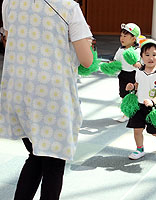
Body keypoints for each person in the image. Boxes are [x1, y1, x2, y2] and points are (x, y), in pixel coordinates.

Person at [0, 0, 93, 199]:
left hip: (18, 90)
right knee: (54, 163)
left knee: (35, 155)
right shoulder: (68, 7)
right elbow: (87, 60)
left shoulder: (9, 2)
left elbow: (9, 39)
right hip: (52, 96)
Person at [125, 39, 156, 160]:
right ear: (142, 57)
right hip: (139, 106)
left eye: (154, 55)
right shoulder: (139, 71)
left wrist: (152, 101)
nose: (151, 58)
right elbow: (137, 84)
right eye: (147, 55)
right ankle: (140, 149)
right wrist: (132, 87)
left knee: (154, 131)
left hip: (153, 108)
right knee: (137, 129)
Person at [114, 23, 141, 123]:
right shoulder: (120, 49)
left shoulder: (137, 50)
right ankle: (127, 112)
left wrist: (137, 64)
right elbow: (116, 60)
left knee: (133, 94)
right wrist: (111, 65)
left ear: (133, 39)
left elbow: (140, 63)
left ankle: (128, 113)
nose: (122, 38)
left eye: (125, 36)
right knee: (123, 94)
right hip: (123, 75)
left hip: (134, 75)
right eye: (121, 35)